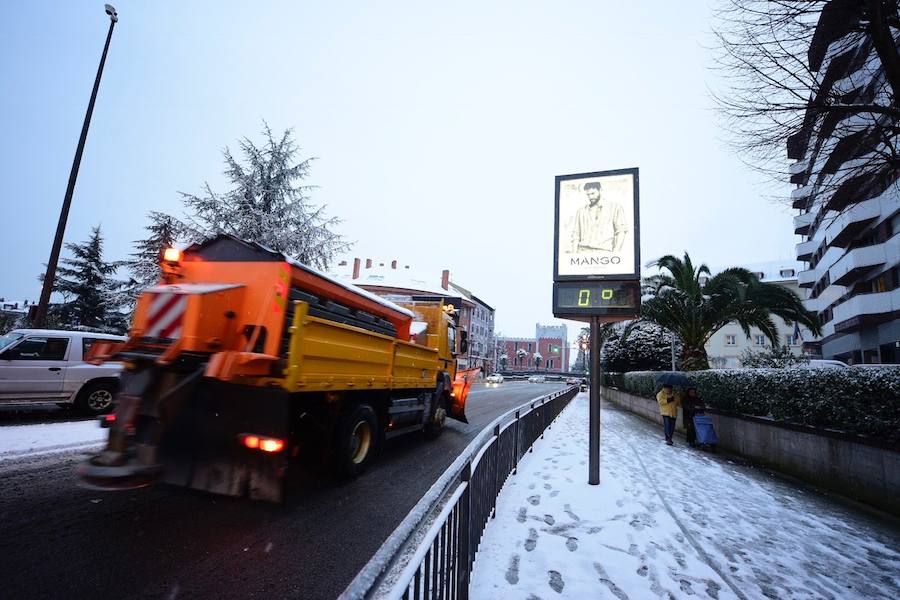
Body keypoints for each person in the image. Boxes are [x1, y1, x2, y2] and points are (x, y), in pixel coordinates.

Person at [570, 181, 627, 253]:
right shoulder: (581, 211)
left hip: (604, 252)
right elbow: (576, 234)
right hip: (582, 252)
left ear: (600, 190)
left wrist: (615, 253)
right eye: (588, 194)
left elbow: (621, 231)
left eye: (593, 193)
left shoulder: (615, 208)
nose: (590, 197)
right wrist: (574, 254)